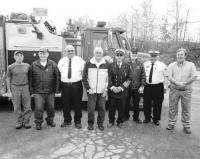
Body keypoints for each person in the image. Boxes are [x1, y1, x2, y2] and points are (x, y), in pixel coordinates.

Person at [166, 48, 197, 134]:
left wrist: (185, 83)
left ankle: (186, 125)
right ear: (176, 56)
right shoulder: (172, 65)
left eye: (181, 55)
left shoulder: (191, 65)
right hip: (174, 90)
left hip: (186, 91)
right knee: (172, 108)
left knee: (186, 109)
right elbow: (168, 76)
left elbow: (194, 77)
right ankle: (171, 123)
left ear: (185, 56)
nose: (179, 56)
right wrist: (177, 83)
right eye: (178, 55)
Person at [29, 48, 60, 130]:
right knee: (39, 108)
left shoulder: (53, 64)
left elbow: (57, 77)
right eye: (41, 53)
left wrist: (57, 89)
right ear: (39, 54)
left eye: (44, 53)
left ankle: (50, 120)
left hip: (50, 91)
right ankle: (38, 122)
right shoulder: (34, 65)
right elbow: (30, 79)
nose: (43, 55)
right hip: (38, 91)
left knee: (51, 107)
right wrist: (31, 90)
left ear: (48, 54)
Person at [58, 45, 85, 129]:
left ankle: (77, 121)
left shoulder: (80, 60)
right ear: (65, 52)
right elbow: (60, 72)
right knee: (65, 104)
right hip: (65, 86)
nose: (70, 52)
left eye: (72, 50)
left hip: (76, 85)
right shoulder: (61, 61)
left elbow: (84, 72)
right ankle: (67, 120)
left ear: (74, 51)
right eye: (68, 51)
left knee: (77, 104)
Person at [83, 47, 109, 131]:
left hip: (102, 91)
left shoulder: (106, 64)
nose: (98, 54)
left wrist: (106, 90)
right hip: (92, 91)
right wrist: (88, 88)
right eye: (97, 52)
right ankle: (90, 124)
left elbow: (109, 79)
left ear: (102, 54)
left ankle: (100, 124)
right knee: (91, 109)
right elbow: (84, 78)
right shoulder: (88, 63)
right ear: (94, 53)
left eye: (100, 53)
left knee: (102, 109)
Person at [6, 51, 32, 129]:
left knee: (27, 106)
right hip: (15, 87)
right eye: (17, 56)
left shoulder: (27, 66)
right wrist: (9, 91)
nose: (19, 57)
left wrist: (31, 89)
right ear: (14, 57)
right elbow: (8, 78)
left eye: (21, 55)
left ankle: (26, 122)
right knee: (17, 106)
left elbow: (30, 77)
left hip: (25, 87)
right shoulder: (10, 67)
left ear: (23, 57)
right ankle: (19, 121)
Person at [107, 49, 131, 128]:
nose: (119, 57)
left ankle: (120, 122)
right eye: (117, 55)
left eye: (121, 55)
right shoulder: (110, 65)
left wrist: (121, 88)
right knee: (111, 108)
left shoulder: (127, 66)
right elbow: (108, 78)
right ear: (115, 56)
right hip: (112, 91)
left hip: (122, 91)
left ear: (123, 56)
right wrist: (112, 87)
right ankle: (111, 121)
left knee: (122, 108)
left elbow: (129, 79)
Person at [143, 50, 168, 126]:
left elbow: (166, 76)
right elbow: (143, 75)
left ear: (157, 57)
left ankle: (156, 119)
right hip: (147, 86)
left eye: (154, 56)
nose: (152, 58)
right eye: (151, 56)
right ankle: (147, 118)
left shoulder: (162, 65)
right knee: (146, 103)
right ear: (149, 56)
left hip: (158, 86)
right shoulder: (145, 64)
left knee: (158, 104)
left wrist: (165, 87)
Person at [129, 52, 146, 124]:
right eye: (132, 54)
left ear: (137, 55)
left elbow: (143, 75)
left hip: (136, 87)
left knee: (136, 104)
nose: (133, 56)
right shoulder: (126, 63)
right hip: (127, 87)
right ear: (130, 54)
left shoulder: (140, 64)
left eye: (135, 55)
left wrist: (142, 85)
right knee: (125, 103)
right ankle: (125, 116)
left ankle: (136, 117)